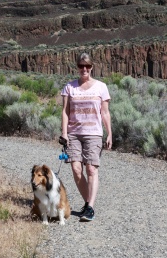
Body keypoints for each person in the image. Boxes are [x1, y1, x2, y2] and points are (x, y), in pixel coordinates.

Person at [60, 53, 112, 222]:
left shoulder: (101, 87)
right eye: (81, 66)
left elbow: (105, 112)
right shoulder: (69, 87)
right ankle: (88, 203)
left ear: (91, 67)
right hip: (74, 133)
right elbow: (65, 112)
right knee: (76, 169)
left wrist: (109, 132)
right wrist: (64, 133)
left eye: (87, 66)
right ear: (77, 67)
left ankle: (89, 207)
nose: (84, 69)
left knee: (91, 169)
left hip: (94, 133)